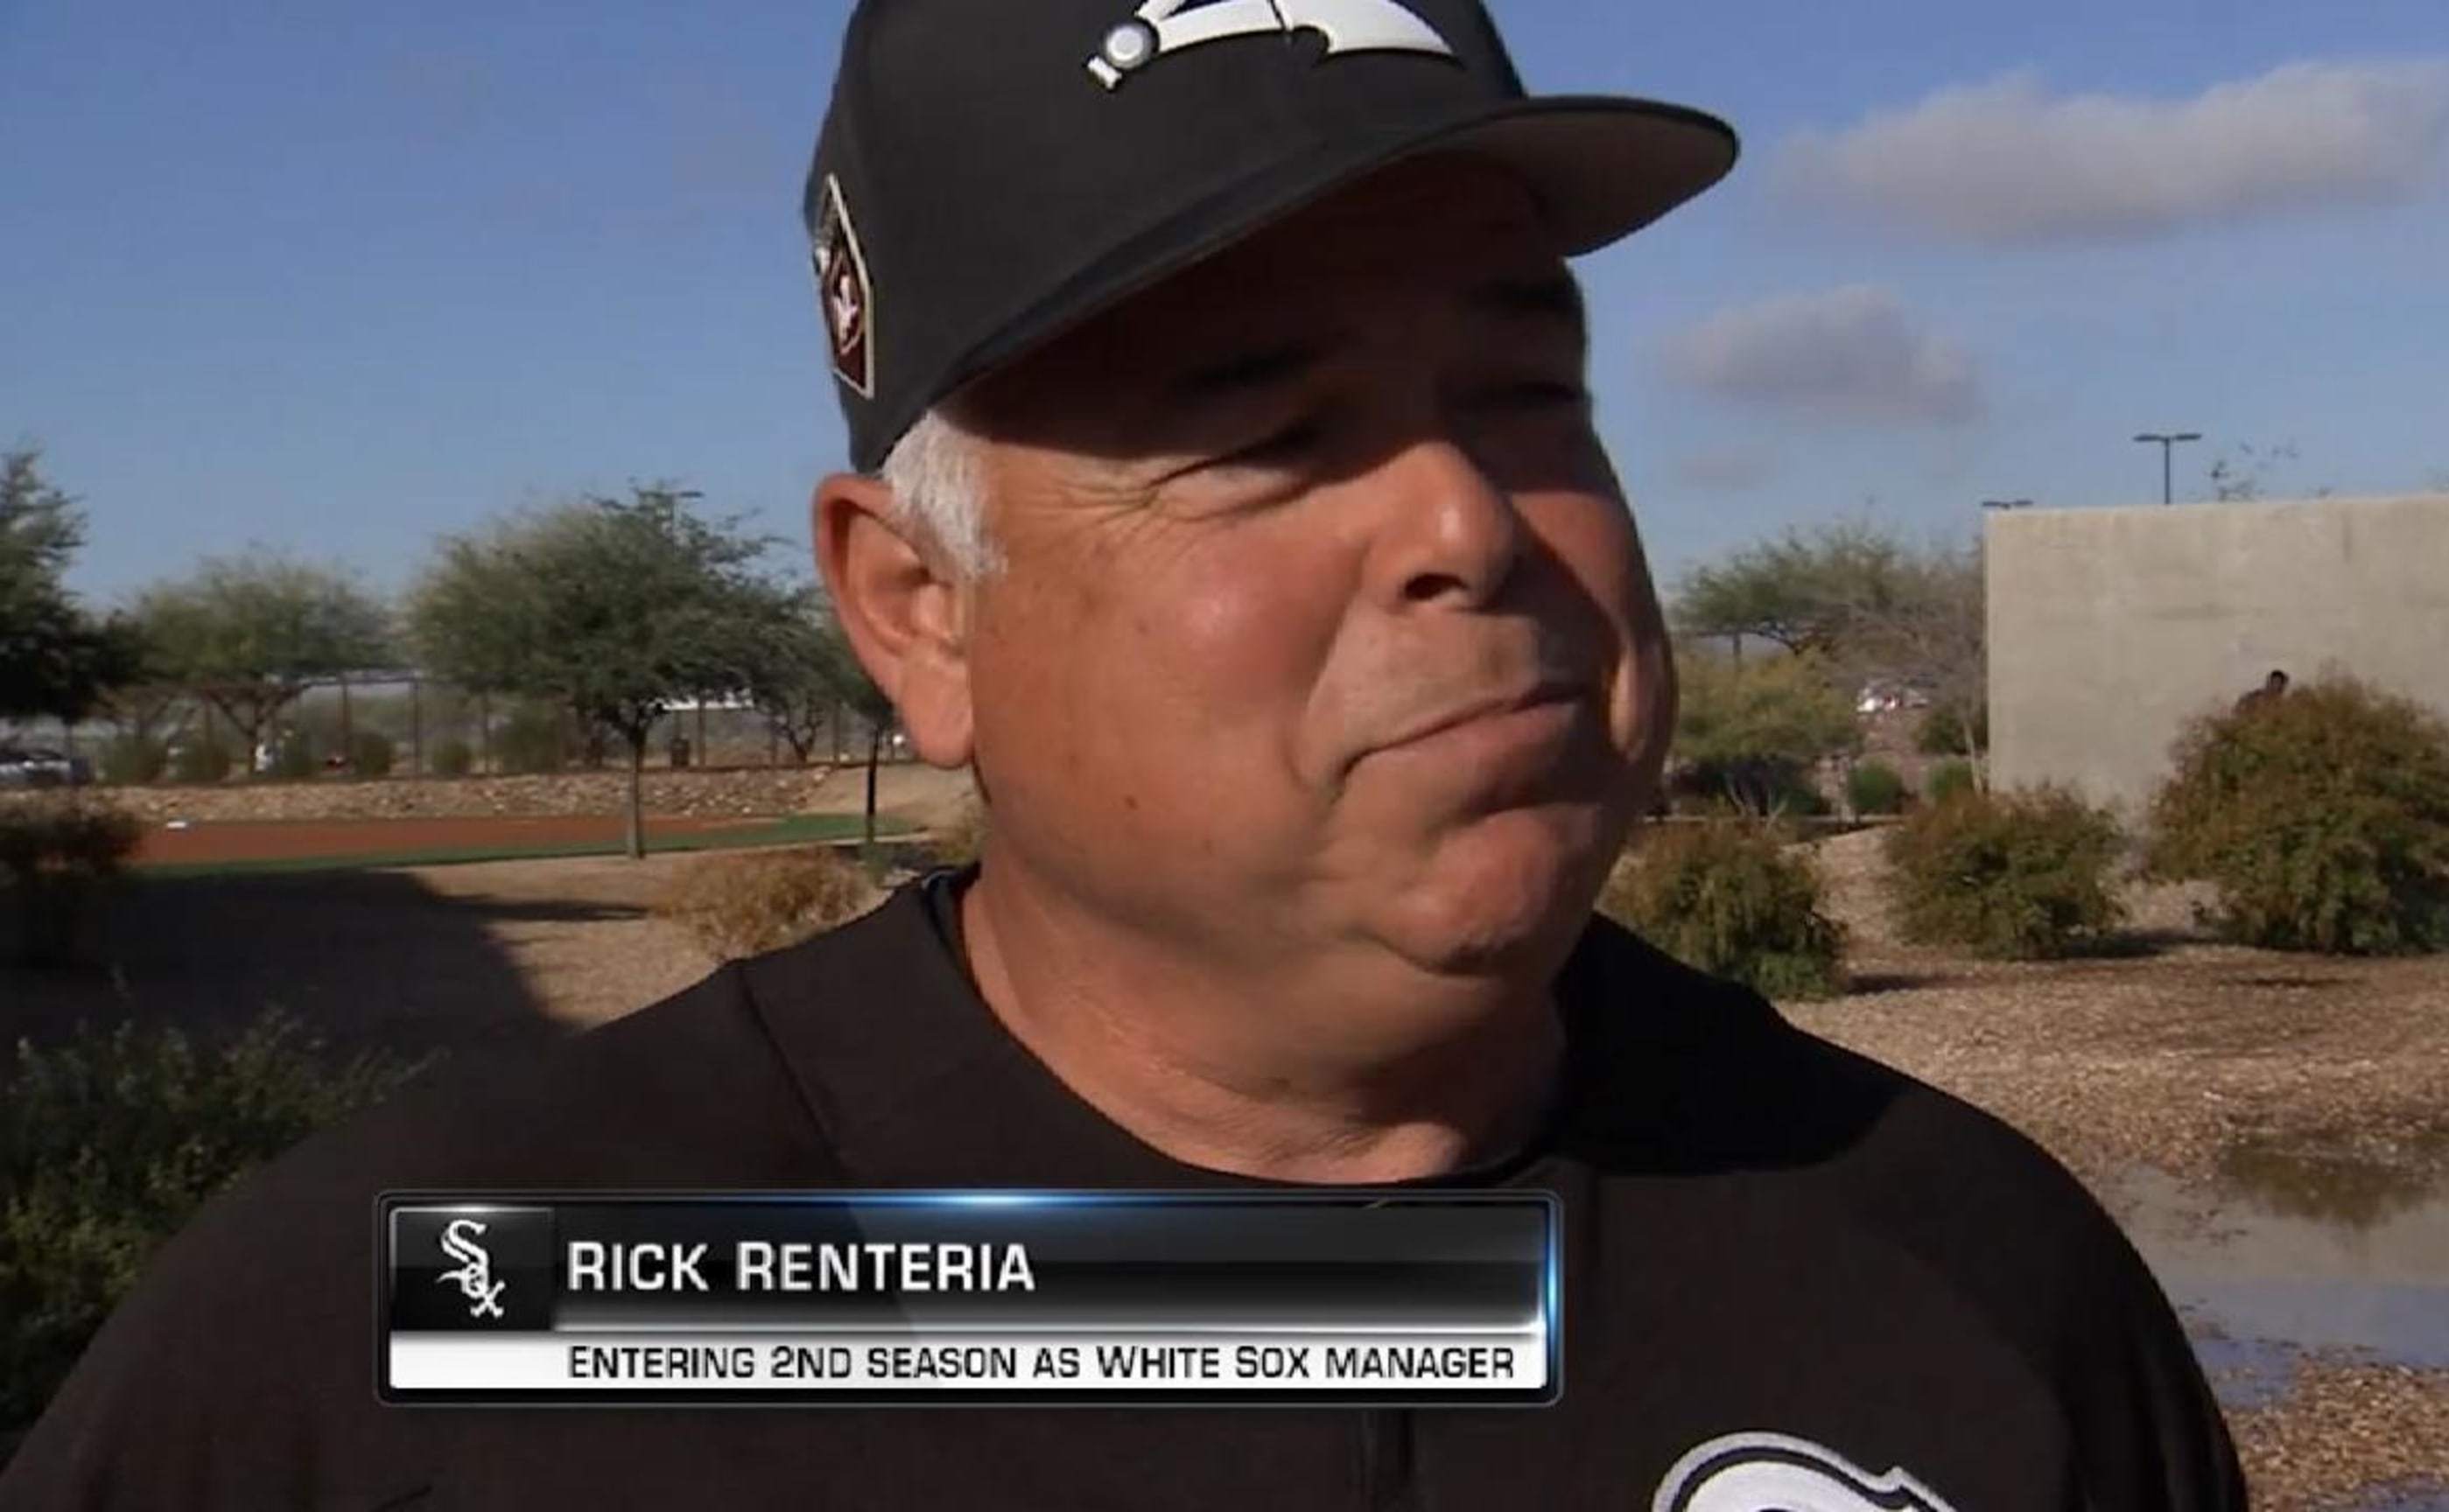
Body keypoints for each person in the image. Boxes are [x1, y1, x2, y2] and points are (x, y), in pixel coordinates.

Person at [1, 4, 2248, 1508]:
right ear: (916, 609)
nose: (1466, 519)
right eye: (1264, 430)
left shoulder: (1957, 1272)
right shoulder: (455, 1307)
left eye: (1522, 387)